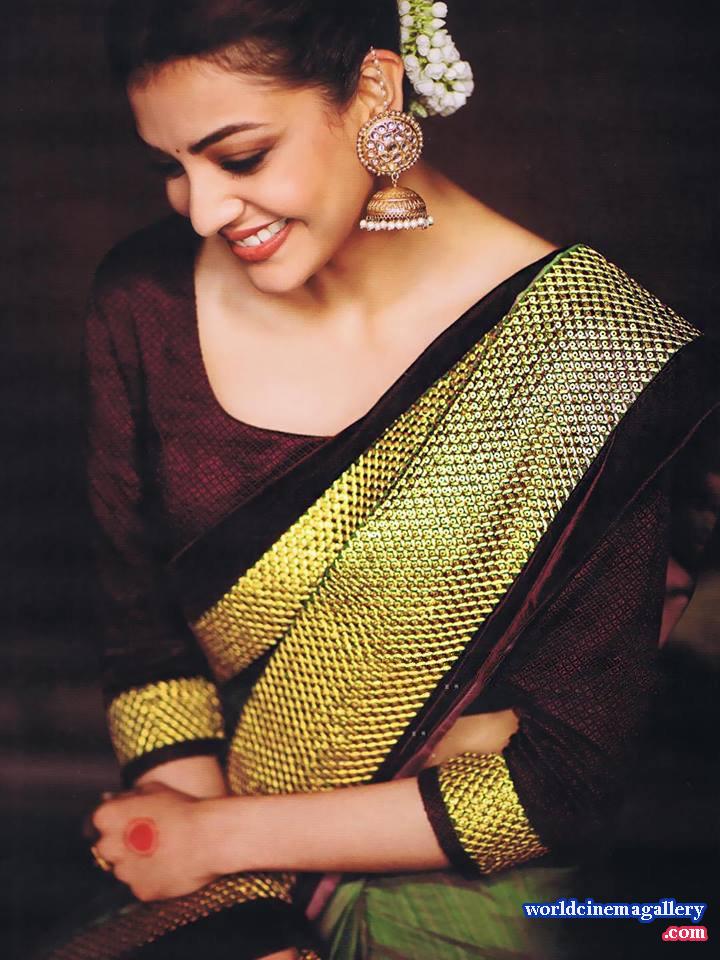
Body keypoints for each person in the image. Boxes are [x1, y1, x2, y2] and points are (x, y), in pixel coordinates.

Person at [45, 1, 720, 958]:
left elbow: (559, 781)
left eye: (240, 157)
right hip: (199, 865)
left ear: (373, 90)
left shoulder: (598, 359)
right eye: (171, 166)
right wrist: (240, 920)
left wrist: (221, 839)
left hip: (468, 896)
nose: (201, 210)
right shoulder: (144, 300)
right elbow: (145, 644)